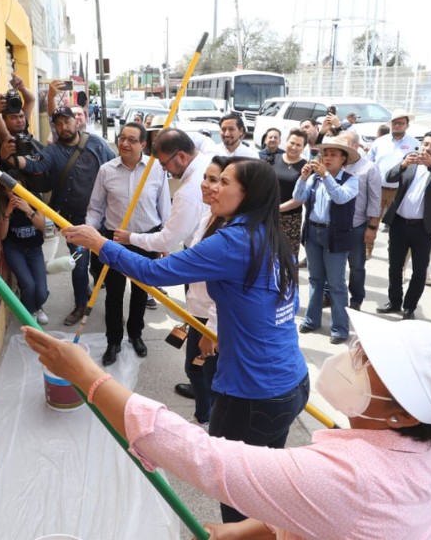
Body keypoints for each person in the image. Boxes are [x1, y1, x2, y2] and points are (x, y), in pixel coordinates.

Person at [21, 308, 431, 540]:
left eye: (372, 364)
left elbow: (204, 457)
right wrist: (247, 531)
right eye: (361, 349)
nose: (352, 360)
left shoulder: (353, 476)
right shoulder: (424, 453)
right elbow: (319, 509)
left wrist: (85, 375)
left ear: (404, 413)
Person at [62, 158, 308, 524]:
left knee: (237, 496)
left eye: (223, 182)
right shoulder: (271, 235)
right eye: (211, 179)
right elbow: (283, 303)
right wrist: (233, 330)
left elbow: (153, 272)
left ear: (247, 194)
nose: (212, 187)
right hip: (291, 384)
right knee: (264, 488)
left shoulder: (233, 241)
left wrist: (101, 244)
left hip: (252, 396)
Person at [115, 129, 213, 398]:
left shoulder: (190, 191)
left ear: (181, 155)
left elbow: (166, 242)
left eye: (166, 164)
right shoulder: (206, 158)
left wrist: (127, 239)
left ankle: (205, 409)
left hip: (203, 275)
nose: (166, 172)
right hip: (201, 263)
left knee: (200, 351)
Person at [4, 106, 115, 326]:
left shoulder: (97, 145)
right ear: (55, 127)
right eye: (59, 124)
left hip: (103, 219)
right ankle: (80, 305)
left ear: (76, 121)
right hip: (73, 220)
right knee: (79, 266)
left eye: (67, 121)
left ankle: (112, 308)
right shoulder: (52, 151)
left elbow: (113, 170)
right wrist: (12, 160)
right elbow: (35, 162)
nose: (64, 127)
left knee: (106, 266)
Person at [84, 122, 171, 365]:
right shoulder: (106, 170)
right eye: (122, 138)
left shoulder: (156, 169)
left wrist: (166, 239)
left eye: (132, 140)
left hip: (147, 239)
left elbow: (165, 206)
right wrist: (90, 233)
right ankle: (113, 340)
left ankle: (136, 334)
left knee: (141, 292)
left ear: (144, 144)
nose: (124, 143)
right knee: (114, 293)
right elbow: (95, 208)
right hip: (115, 240)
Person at [377, 128, 431, 320]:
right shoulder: (410, 161)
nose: (428, 148)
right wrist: (402, 165)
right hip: (399, 224)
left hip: (423, 228)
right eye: (426, 144)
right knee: (395, 267)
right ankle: (394, 301)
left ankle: (409, 307)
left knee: (419, 271)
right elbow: (390, 177)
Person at [172, 156, 227, 421]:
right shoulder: (208, 216)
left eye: (215, 180)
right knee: (195, 368)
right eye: (205, 177)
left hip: (212, 316)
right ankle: (203, 412)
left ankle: (212, 419)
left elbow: (226, 287)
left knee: (207, 372)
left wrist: (213, 330)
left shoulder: (228, 230)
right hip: (197, 308)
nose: (205, 184)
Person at [294, 138, 361, 343]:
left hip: (336, 236)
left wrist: (325, 176)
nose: (328, 158)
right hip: (314, 233)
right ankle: (312, 320)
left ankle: (340, 328)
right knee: (315, 279)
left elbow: (341, 197)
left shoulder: (351, 179)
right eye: (326, 154)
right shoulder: (315, 178)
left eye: (333, 154)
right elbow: (298, 197)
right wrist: (303, 178)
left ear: (343, 159)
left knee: (336, 284)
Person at [339, 130, 382, 306]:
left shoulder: (369, 168)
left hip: (357, 225)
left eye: (345, 144)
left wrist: (372, 227)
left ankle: (356, 299)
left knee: (356, 267)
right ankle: (333, 297)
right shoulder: (336, 165)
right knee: (335, 267)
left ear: (356, 147)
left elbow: (375, 199)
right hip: (336, 225)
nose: (341, 149)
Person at [0, 193, 50, 324]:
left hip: (34, 250)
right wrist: (7, 213)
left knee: (42, 292)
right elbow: (2, 235)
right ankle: (31, 311)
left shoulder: (34, 198)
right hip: (15, 249)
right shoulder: (3, 203)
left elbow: (42, 227)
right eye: (8, 190)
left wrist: (28, 210)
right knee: (28, 284)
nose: (13, 194)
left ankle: (36, 307)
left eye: (16, 189)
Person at [366, 109, 419, 222]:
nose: (398, 125)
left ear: (407, 126)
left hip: (399, 192)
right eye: (395, 123)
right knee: (370, 223)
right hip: (377, 189)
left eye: (401, 123)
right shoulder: (379, 142)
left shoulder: (414, 144)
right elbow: (368, 162)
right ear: (391, 124)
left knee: (395, 225)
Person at [274, 129, 309, 261]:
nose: (294, 147)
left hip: (291, 219)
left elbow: (300, 198)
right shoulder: (274, 159)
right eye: (292, 142)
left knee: (288, 259)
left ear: (303, 147)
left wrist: (278, 208)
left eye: (298, 145)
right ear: (286, 142)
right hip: (269, 216)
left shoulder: (306, 167)